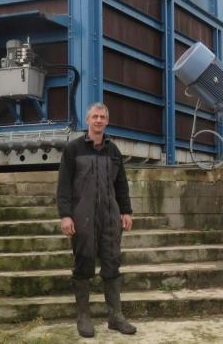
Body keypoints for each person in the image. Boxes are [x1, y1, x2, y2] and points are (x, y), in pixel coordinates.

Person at [57, 102, 136, 338]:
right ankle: (84, 316)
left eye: (102, 117)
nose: (99, 120)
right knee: (83, 264)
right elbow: (63, 185)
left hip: (110, 218)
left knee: (112, 263)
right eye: (95, 117)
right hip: (83, 217)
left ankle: (115, 317)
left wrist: (126, 211)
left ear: (107, 121)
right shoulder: (73, 149)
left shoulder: (114, 151)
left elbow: (121, 184)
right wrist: (65, 215)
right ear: (88, 120)